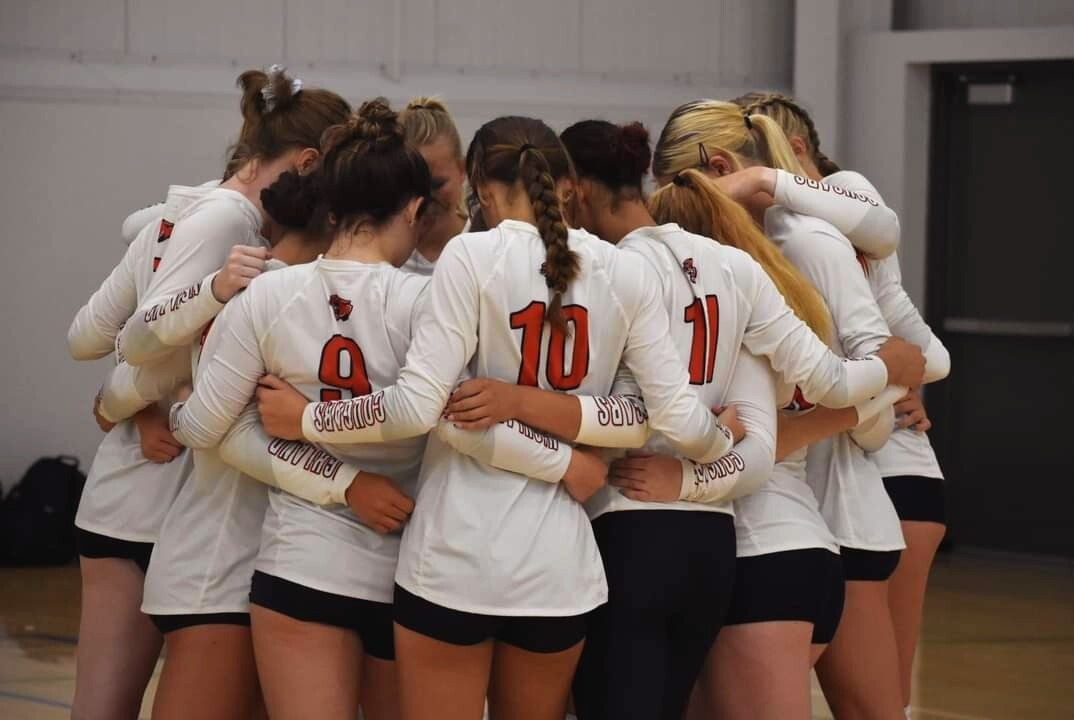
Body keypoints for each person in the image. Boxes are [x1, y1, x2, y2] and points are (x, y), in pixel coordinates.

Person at [255, 115, 744, 720]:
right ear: (567, 185)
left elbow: (423, 408)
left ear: (482, 189)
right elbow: (649, 418)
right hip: (557, 571)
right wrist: (718, 439)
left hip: (452, 557)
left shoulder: (471, 255)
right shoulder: (626, 271)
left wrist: (307, 420)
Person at [437, 118, 920, 720]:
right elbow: (812, 398)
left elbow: (634, 415)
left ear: (573, 191)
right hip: (720, 548)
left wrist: (522, 407)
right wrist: (887, 369)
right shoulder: (737, 268)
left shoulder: (608, 272)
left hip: (627, 531)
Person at [653, 99, 925, 719]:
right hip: (809, 533)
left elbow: (904, 364)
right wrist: (883, 384)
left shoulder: (792, 245)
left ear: (719, 166)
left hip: (800, 533)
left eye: (680, 185)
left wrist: (885, 382)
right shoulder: (754, 251)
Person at [107, 65, 349, 720]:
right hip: (214, 562)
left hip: (248, 558)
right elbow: (134, 342)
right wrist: (127, 400)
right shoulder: (234, 241)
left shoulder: (276, 267)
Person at [740, 91, 951, 718]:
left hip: (883, 480)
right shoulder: (770, 240)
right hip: (838, 486)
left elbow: (923, 354)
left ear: (792, 150)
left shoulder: (836, 207)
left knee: (882, 701)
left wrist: (885, 383)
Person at [67, 182, 213, 720]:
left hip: (213, 526)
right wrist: (133, 406)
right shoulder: (187, 226)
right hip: (129, 510)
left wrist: (131, 404)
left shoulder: (271, 252)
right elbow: (129, 344)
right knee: (101, 706)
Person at [399, 97, 469, 274]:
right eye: (414, 187)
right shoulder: (382, 256)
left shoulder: (484, 244)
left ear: (462, 170)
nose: (426, 198)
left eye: (437, 184)